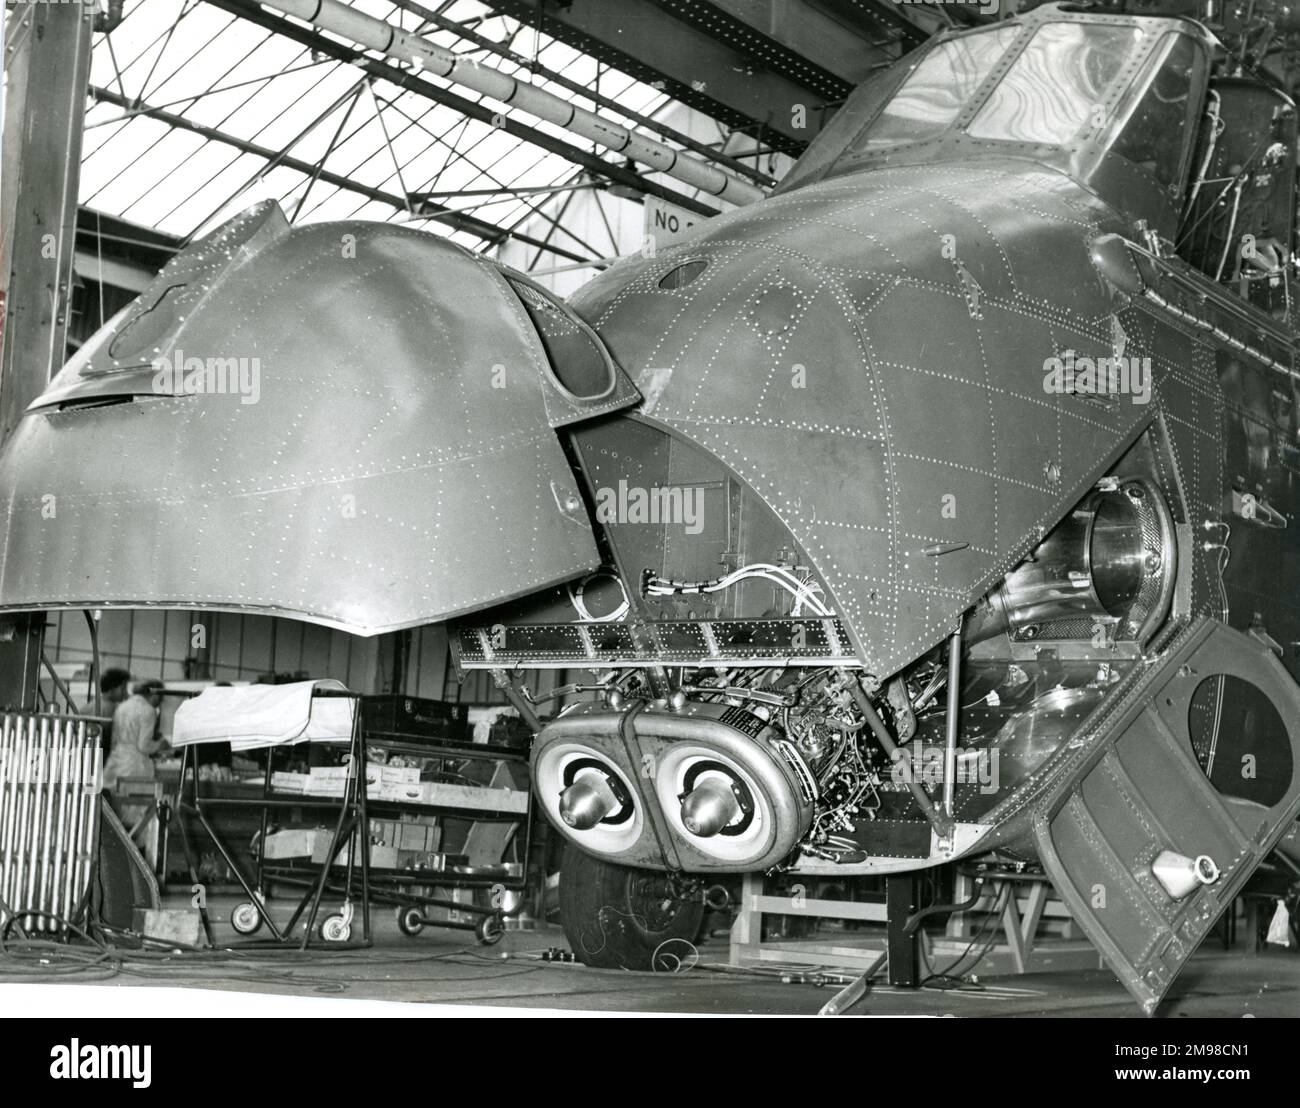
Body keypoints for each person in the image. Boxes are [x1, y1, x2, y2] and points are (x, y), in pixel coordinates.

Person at [102, 679, 167, 791]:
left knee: (116, 803)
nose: (159, 702)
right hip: (134, 766)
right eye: (160, 699)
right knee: (136, 804)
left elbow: (114, 740)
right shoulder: (148, 710)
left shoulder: (121, 707)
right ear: (155, 695)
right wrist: (160, 745)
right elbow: (143, 746)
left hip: (116, 762)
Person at [96, 667, 132, 754]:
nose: (126, 693)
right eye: (123, 688)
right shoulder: (114, 709)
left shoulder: (91, 705)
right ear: (112, 688)